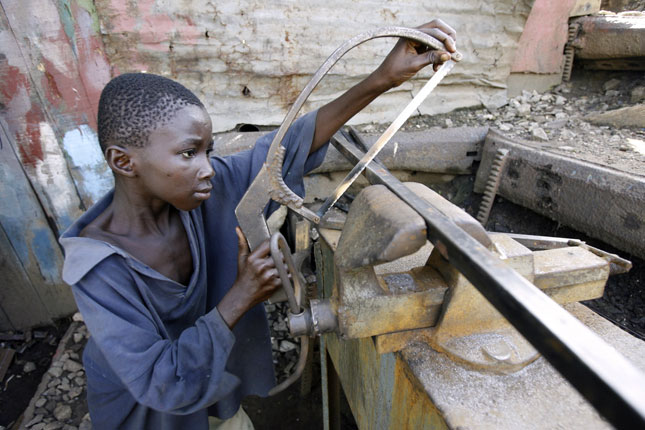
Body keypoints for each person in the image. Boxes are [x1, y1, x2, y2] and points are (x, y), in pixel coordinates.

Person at [59, 19, 456, 430]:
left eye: (208, 151)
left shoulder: (205, 191)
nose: (208, 168)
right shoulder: (99, 270)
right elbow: (160, 380)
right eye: (188, 153)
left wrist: (382, 79)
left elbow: (287, 148)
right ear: (124, 161)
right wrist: (242, 295)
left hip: (213, 390)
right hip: (150, 416)